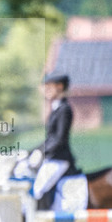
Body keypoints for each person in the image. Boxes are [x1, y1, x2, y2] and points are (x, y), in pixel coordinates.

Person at [31, 72, 78, 210]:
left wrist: (42, 152)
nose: (45, 90)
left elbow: (59, 138)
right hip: (51, 157)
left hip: (59, 159)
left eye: (49, 87)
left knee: (39, 188)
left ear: (60, 87)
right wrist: (33, 151)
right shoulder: (56, 108)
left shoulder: (64, 109)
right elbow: (49, 138)